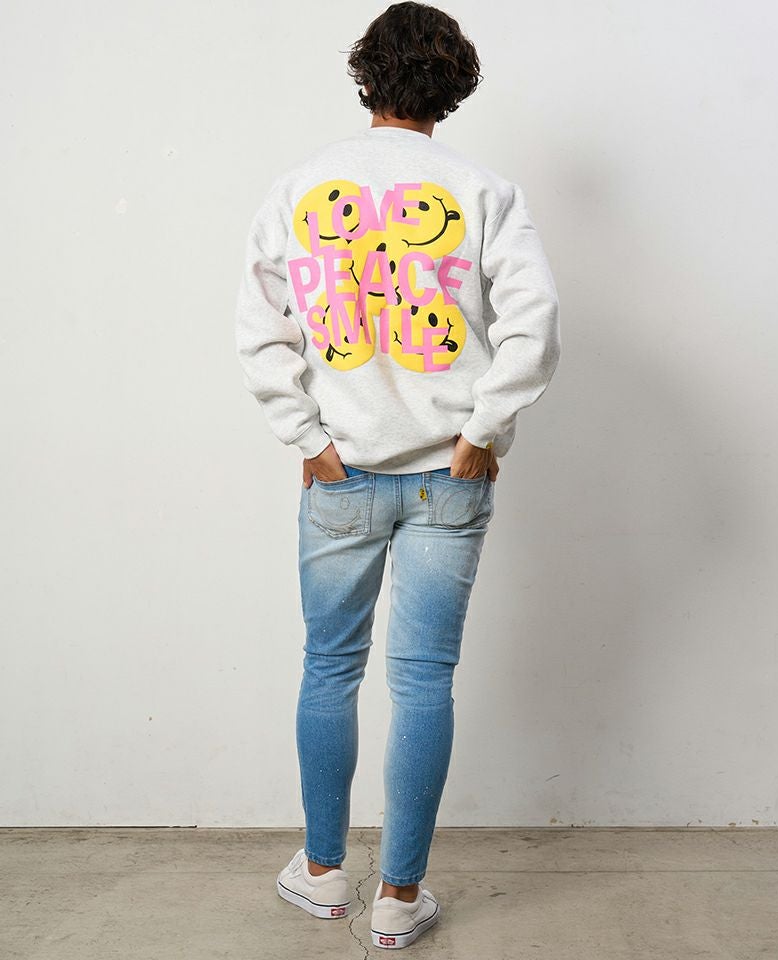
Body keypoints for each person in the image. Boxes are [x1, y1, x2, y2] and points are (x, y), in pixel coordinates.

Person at [234, 1, 561, 949]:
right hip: (449, 475)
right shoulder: (484, 191)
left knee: (329, 667)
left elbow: (260, 329)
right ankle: (399, 899)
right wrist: (483, 431)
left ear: (365, 75)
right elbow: (535, 324)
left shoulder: (301, 186)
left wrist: (307, 437)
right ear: (452, 87)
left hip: (341, 473)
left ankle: (324, 876)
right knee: (423, 682)